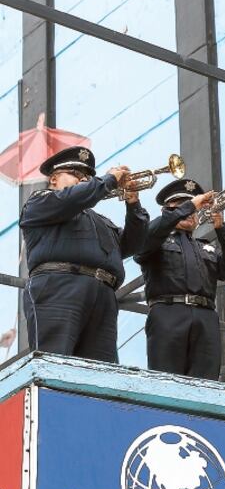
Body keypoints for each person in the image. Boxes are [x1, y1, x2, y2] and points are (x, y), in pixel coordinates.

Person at [20, 146, 148, 362]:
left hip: (103, 295)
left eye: (88, 177)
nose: (83, 180)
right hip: (59, 287)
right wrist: (107, 180)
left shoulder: (99, 220)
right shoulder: (41, 201)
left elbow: (134, 244)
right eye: (76, 175)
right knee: (55, 360)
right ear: (53, 180)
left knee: (101, 371)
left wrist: (133, 205)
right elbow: (72, 199)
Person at [136, 178, 225, 379]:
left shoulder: (205, 246)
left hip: (205, 317)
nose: (188, 211)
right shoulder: (154, 239)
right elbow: (144, 243)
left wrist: (221, 228)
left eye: (191, 207)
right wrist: (190, 205)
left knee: (206, 382)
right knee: (166, 380)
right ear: (166, 212)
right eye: (181, 206)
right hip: (168, 313)